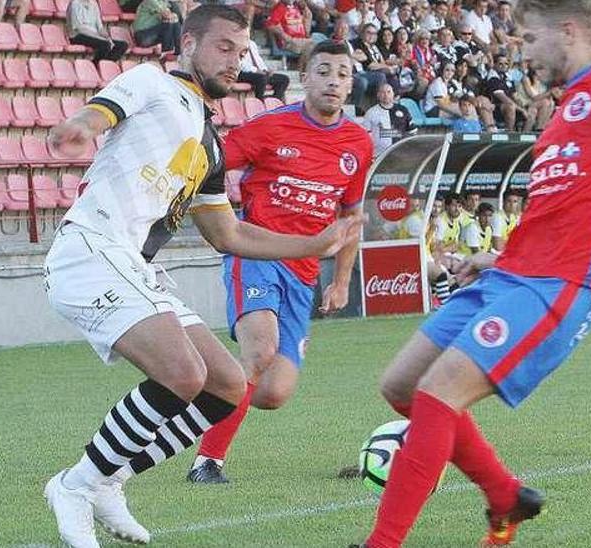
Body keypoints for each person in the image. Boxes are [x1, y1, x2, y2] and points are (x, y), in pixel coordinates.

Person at [349, 0, 591, 544]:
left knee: (436, 394)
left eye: (528, 39)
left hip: (563, 284)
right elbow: (563, 206)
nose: (523, 51)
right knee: (402, 385)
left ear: (567, 30)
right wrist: (497, 258)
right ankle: (505, 495)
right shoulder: (572, 104)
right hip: (512, 275)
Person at [40, 7, 360, 548]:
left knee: (229, 386)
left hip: (134, 265)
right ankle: (76, 485)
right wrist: (79, 126)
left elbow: (230, 235)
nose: (235, 60)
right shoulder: (150, 82)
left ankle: (111, 479)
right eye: (223, 47)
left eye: (241, 51)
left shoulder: (210, 144)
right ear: (188, 43)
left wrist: (315, 244)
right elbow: (102, 113)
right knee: (183, 374)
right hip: (91, 249)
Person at [186, 40, 373, 484]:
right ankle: (206, 462)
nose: (333, 81)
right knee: (260, 351)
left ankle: (195, 382)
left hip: (304, 272)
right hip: (256, 252)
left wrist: (341, 281)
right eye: (324, 70)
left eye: (342, 74)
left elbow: (350, 218)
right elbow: (204, 167)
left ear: (350, 85)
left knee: (273, 393)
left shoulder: (358, 144)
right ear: (304, 76)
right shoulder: (268, 127)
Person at [363, 83, 415, 154]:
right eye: (382, 92)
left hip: (400, 153)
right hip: (378, 155)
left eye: (388, 92)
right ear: (378, 95)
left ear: (393, 94)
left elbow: (412, 131)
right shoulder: (371, 112)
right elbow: (365, 135)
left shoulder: (403, 110)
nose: (386, 95)